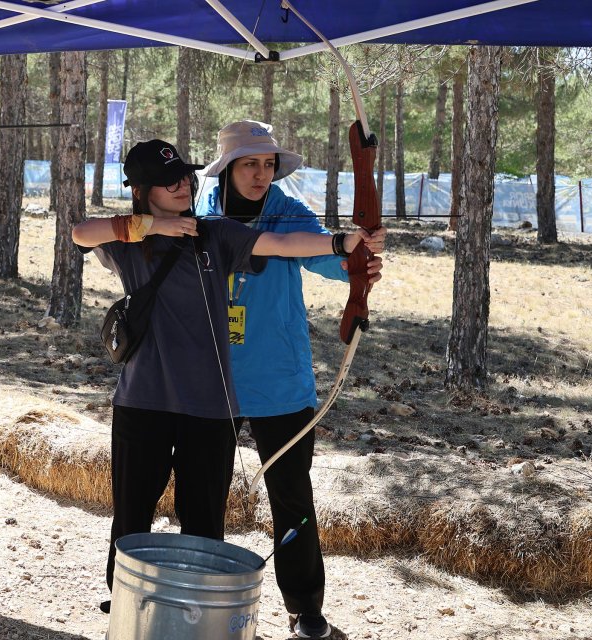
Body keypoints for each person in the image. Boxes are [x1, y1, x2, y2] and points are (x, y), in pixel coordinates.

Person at [71, 139, 385, 614]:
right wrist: (154, 226)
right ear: (141, 191)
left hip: (209, 408)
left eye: (184, 176)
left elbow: (282, 244)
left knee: (203, 522)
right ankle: (128, 606)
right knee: (132, 513)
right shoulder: (130, 241)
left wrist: (344, 243)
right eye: (168, 181)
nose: (182, 185)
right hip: (142, 402)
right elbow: (81, 233)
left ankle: (196, 613)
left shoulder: (215, 232)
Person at [198, 120, 382, 640]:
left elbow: (326, 254)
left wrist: (358, 256)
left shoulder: (286, 210)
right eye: (249, 164)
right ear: (227, 168)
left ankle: (305, 609)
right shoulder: (200, 210)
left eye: (268, 164)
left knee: (292, 499)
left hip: (279, 380)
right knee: (203, 497)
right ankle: (201, 600)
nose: (261, 175)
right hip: (211, 379)